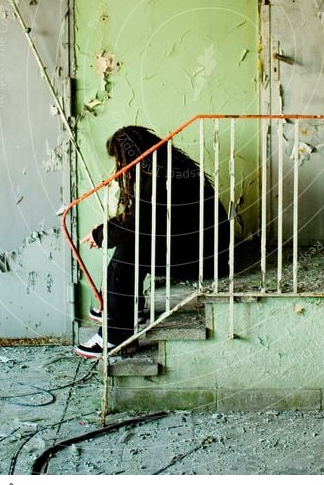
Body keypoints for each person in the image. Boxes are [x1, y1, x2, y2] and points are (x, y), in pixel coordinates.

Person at [75, 126, 230, 358]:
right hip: (202, 250)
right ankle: (126, 310)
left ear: (132, 156)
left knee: (130, 249)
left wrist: (101, 235)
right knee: (134, 245)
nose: (119, 167)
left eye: (120, 160)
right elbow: (143, 218)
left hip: (206, 258)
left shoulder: (164, 178)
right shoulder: (168, 170)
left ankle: (117, 336)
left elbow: (140, 223)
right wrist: (104, 230)